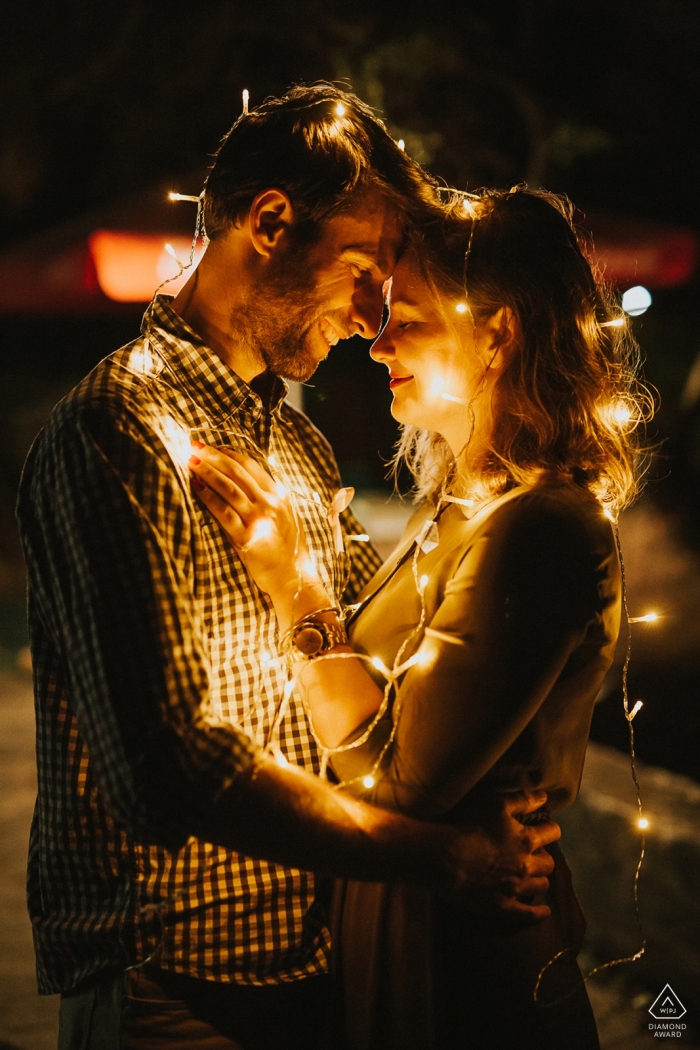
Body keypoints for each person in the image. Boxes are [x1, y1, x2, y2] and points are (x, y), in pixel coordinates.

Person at [16, 88, 560, 1050]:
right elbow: (169, 770)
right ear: (270, 221)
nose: (368, 317)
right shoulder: (117, 429)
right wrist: (444, 858)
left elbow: (366, 662)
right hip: (172, 993)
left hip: (313, 977)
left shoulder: (295, 447)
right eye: (362, 269)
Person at [189, 185, 649, 1049]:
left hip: (467, 951)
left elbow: (396, 779)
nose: (378, 338)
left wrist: (294, 586)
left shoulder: (546, 528)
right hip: (402, 918)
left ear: (499, 333)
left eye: (414, 317)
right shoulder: (459, 506)